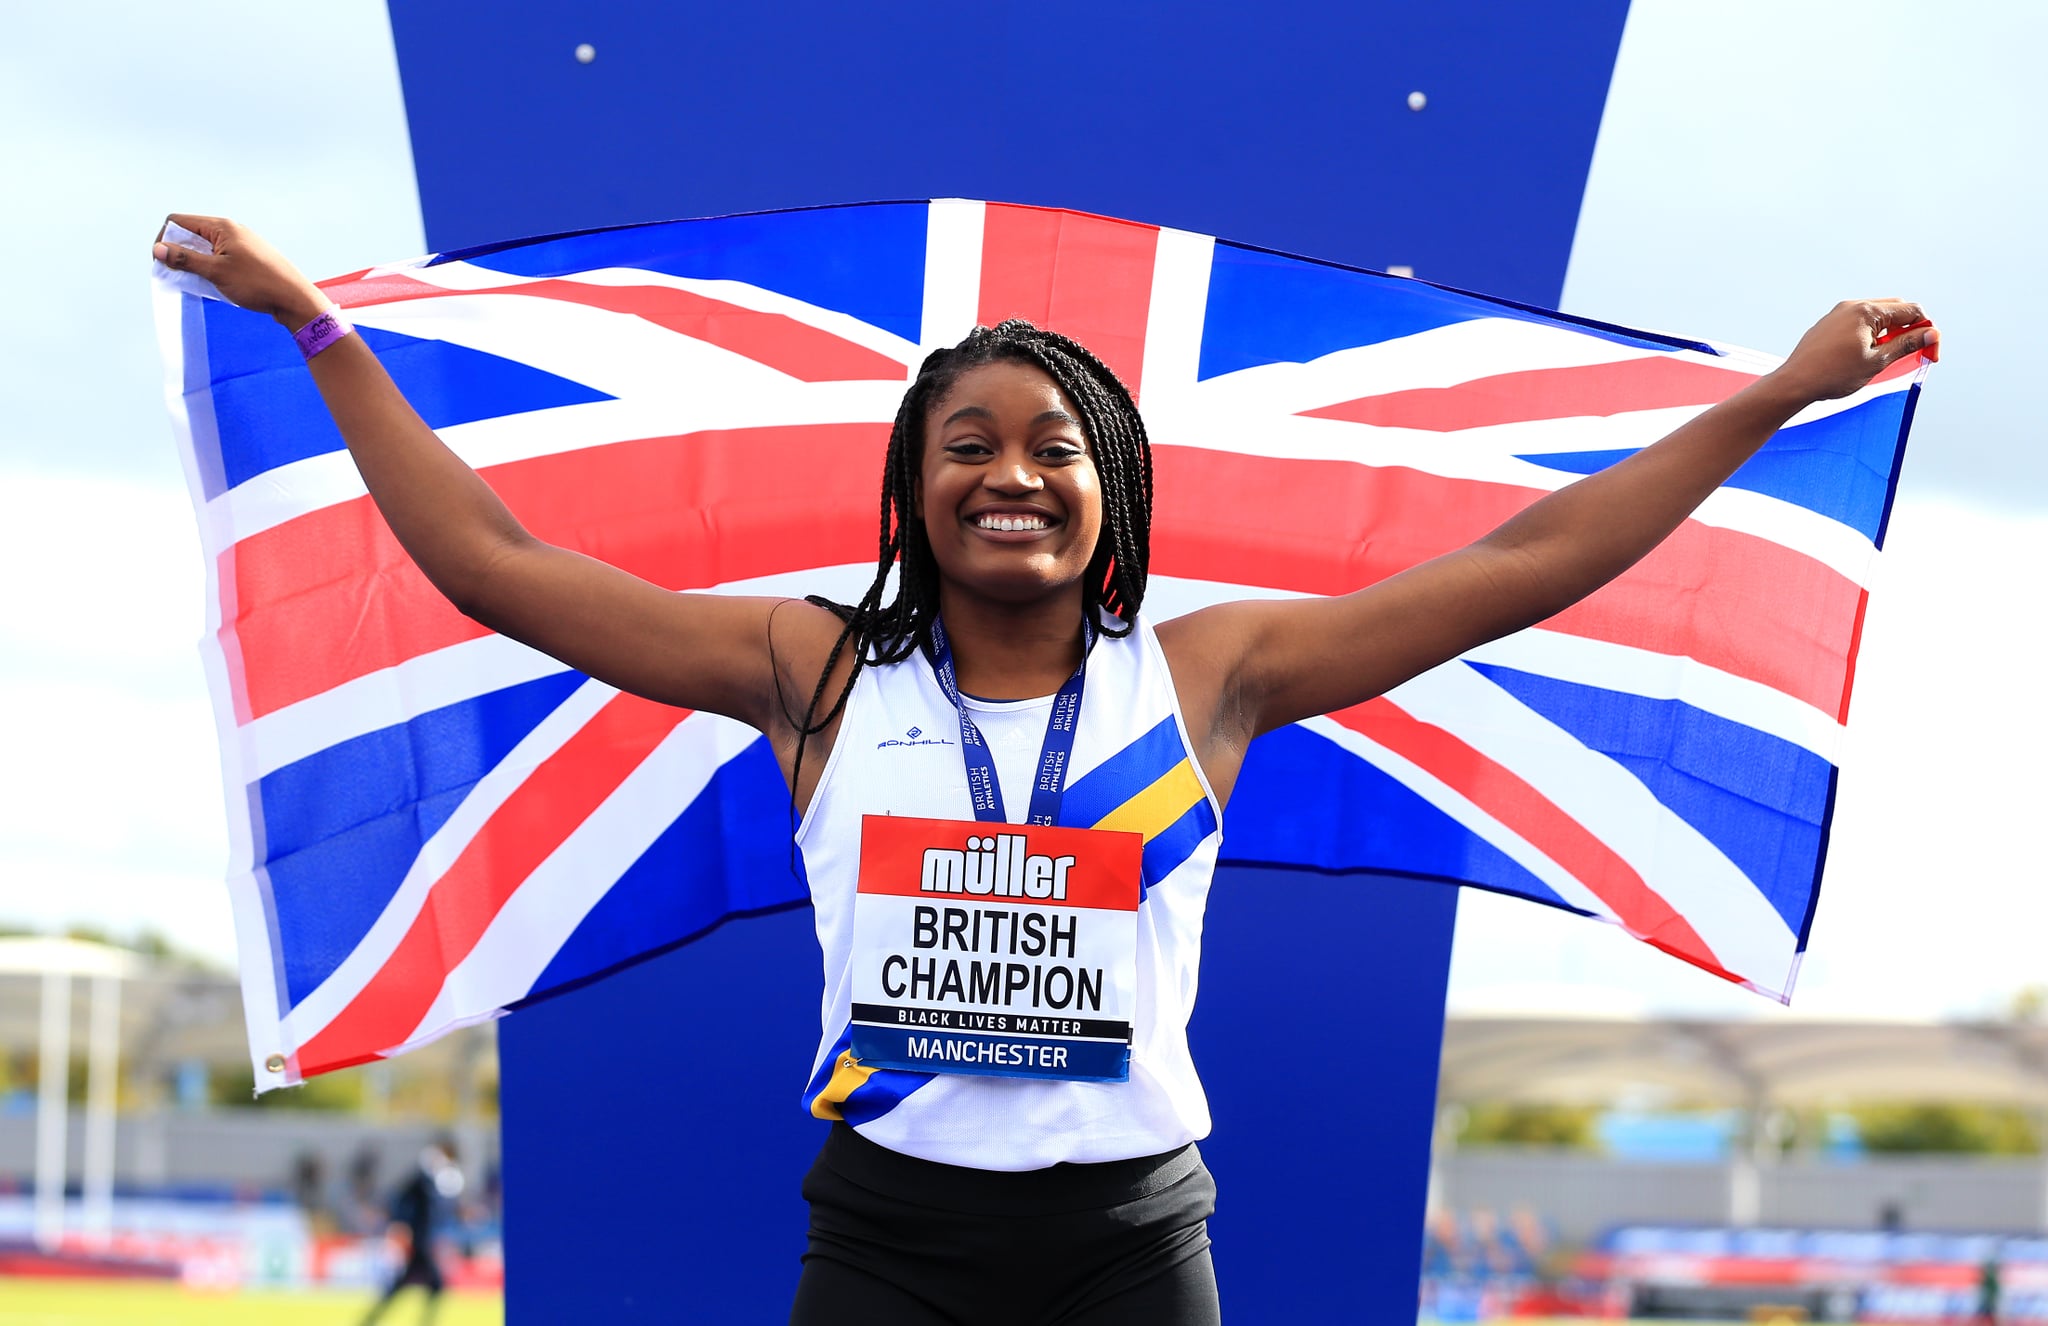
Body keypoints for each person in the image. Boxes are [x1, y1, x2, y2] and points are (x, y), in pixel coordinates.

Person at [152, 214, 1935, 1325]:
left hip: (1130, 1247)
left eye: (1053, 445)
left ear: (1112, 493)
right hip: (885, 1244)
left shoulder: (1209, 676)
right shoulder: (814, 670)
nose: (1011, 470)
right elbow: (495, 567)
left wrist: (1764, 399)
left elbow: (1519, 566)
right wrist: (320, 328)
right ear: (911, 489)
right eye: (965, 444)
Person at [361, 1138, 462, 1326]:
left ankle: (371, 1320)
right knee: (436, 1285)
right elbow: (402, 1197)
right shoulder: (421, 1182)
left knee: (404, 1286)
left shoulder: (434, 1183)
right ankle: (423, 1322)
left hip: (422, 1241)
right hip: (421, 1242)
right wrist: (399, 1221)